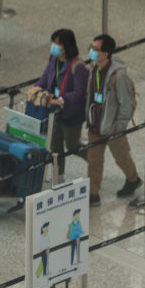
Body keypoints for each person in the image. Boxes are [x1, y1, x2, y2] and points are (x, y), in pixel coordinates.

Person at [85, 34, 141, 207]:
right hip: (96, 124)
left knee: (121, 156)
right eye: (92, 47)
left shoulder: (119, 76)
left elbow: (127, 104)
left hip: (113, 126)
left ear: (106, 53)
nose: (92, 52)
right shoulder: (94, 69)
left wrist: (119, 126)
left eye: (96, 49)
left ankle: (133, 179)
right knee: (94, 160)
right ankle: (92, 194)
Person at [34, 29, 89, 180]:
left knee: (72, 145)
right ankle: (59, 176)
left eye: (58, 44)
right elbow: (45, 77)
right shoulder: (54, 59)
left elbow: (79, 92)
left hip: (71, 112)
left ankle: (93, 158)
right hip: (54, 111)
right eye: (53, 42)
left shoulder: (78, 67)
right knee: (55, 147)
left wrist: (62, 100)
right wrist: (36, 88)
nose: (54, 46)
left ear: (67, 46)